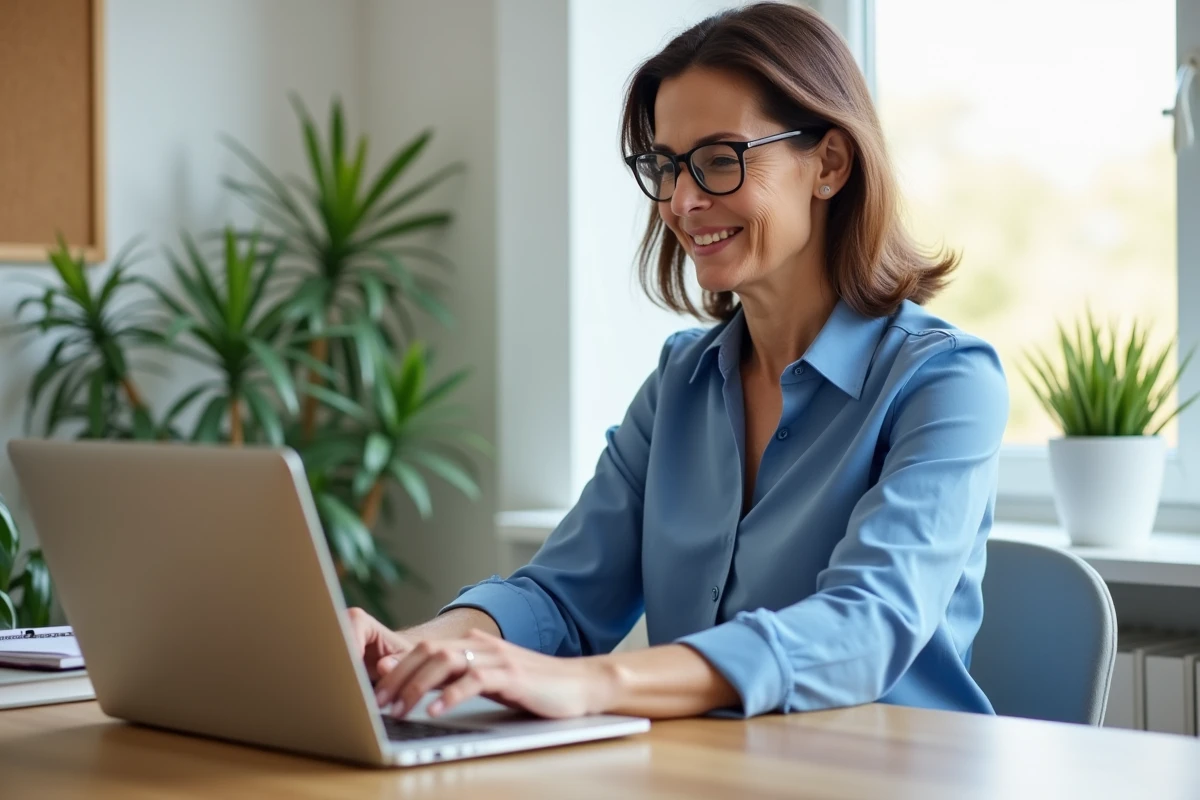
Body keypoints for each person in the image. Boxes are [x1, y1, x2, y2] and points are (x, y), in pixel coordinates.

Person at [356, 1, 1008, 721]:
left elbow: (865, 625)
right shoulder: (680, 383)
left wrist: (599, 683)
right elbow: (562, 595)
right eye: (666, 167)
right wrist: (405, 651)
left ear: (828, 163)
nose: (685, 199)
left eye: (721, 160)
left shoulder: (945, 381)